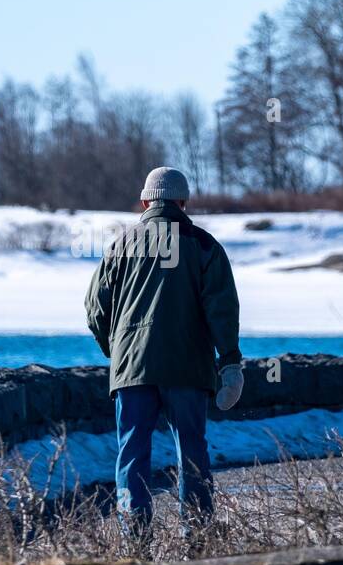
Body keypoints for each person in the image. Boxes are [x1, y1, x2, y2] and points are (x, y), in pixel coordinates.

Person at [84, 166, 243, 544]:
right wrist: (231, 361)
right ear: (183, 202)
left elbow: (95, 309)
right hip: (188, 368)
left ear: (144, 202)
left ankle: (135, 538)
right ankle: (198, 535)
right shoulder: (204, 245)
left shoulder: (121, 246)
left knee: (132, 450)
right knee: (191, 449)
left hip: (132, 370)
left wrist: (118, 351)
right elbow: (222, 310)